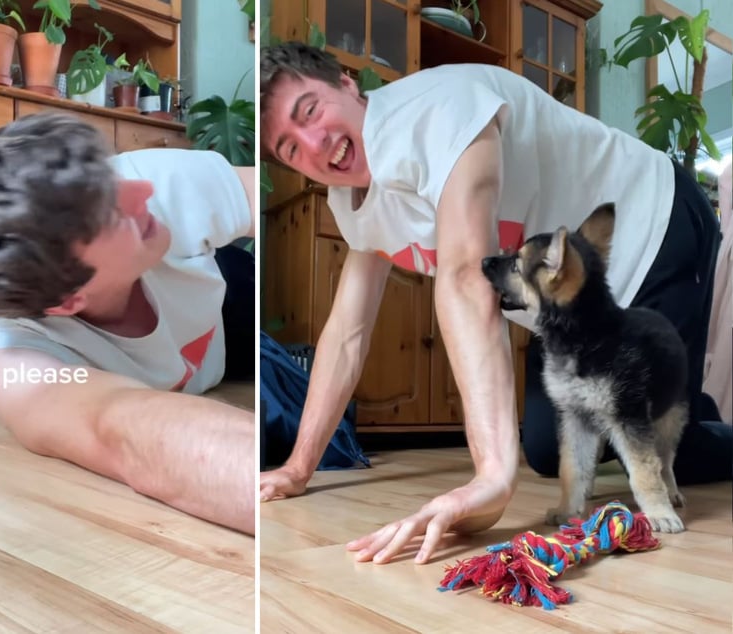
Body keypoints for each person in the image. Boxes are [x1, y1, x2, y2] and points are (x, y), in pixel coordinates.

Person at [258, 41, 732, 563]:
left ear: (347, 84)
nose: (313, 142)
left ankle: (688, 414)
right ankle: (694, 402)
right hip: (567, 303)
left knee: (663, 444)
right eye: (289, 148)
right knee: (555, 453)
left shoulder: (440, 109)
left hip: (649, 227)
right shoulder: (351, 204)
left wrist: (489, 478)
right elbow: (346, 331)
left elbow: (465, 275)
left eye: (310, 110)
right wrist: (297, 468)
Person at [0, 112, 257, 535]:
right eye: (111, 215)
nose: (142, 192)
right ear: (68, 300)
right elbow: (123, 433)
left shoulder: (152, 181)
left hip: (223, 290)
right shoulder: (6, 359)